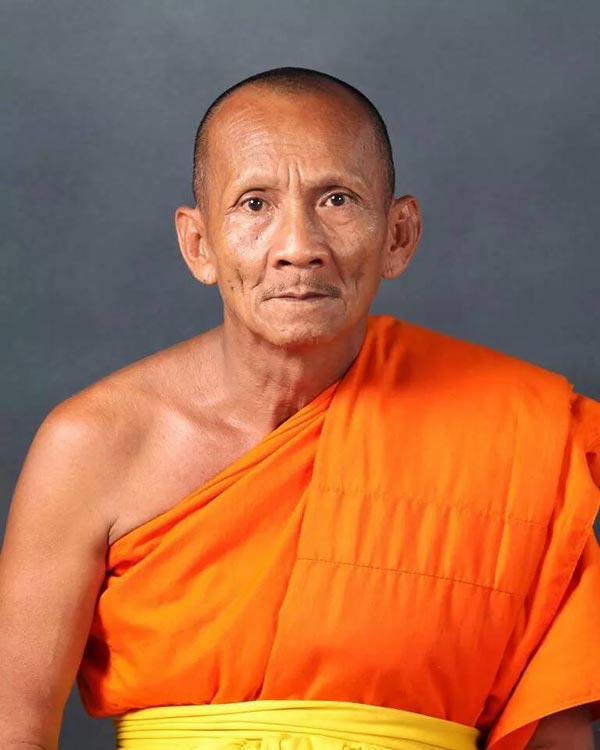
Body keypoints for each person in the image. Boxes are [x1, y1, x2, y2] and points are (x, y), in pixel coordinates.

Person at [0, 67, 598, 750]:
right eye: (254, 204)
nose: (298, 248)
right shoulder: (95, 444)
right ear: (199, 244)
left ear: (398, 235)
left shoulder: (515, 431)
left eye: (337, 200)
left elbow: (555, 739)